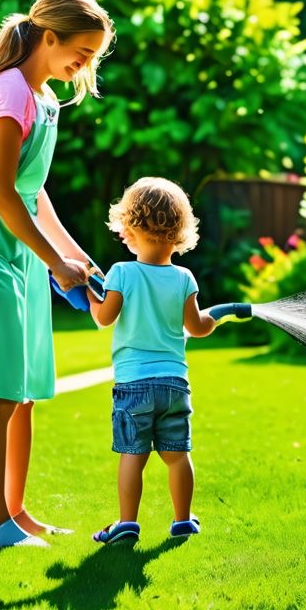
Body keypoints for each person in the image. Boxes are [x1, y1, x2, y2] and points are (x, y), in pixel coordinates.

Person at [0, 0, 115, 548]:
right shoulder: (12, 92)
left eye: (92, 57)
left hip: (17, 232)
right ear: (49, 37)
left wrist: (73, 253)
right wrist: (52, 263)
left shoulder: (42, 99)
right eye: (81, 53)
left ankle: (15, 511)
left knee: (24, 388)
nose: (83, 65)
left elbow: (32, 190)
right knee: (0, 389)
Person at [89, 177, 216, 545]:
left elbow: (104, 317)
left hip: (133, 385)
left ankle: (127, 522)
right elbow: (197, 326)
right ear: (180, 230)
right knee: (177, 456)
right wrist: (214, 318)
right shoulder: (184, 278)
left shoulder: (122, 273)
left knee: (133, 454)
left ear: (129, 226)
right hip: (175, 384)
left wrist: (87, 291)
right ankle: (182, 521)